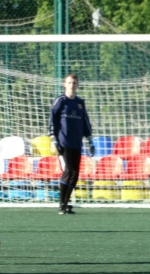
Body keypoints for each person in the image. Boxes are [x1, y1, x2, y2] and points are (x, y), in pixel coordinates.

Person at [49, 73, 95, 215]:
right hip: (63, 141)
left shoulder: (80, 102)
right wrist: (53, 138)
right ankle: (61, 204)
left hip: (76, 142)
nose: (72, 85)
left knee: (75, 173)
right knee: (69, 170)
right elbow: (52, 118)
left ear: (78, 85)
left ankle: (66, 203)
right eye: (69, 83)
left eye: (74, 83)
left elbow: (85, 121)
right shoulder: (60, 100)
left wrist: (90, 140)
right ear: (64, 84)